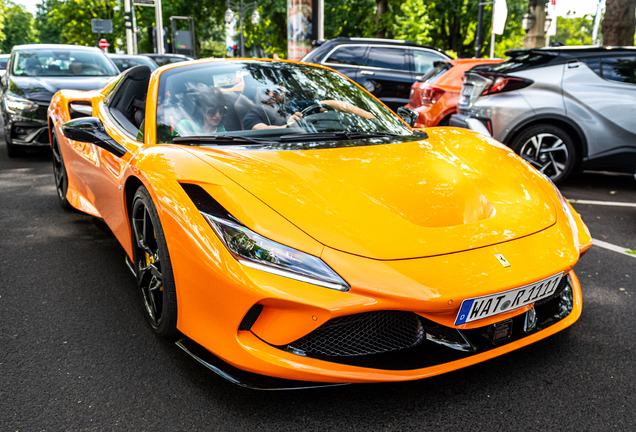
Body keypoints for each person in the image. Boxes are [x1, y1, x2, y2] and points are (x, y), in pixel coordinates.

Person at [242, 85, 375, 130]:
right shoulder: (254, 112)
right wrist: (288, 126)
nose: (271, 94)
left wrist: (368, 116)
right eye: (266, 91)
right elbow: (262, 129)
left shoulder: (292, 105)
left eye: (276, 91)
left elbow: (329, 103)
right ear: (258, 93)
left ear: (282, 93)